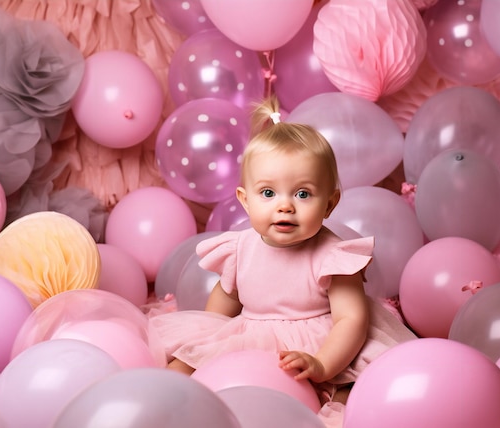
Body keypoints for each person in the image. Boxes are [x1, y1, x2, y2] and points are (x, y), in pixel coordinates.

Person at [150, 96, 417, 423]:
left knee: (352, 390)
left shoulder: (333, 256)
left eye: (303, 194)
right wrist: (207, 340)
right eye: (268, 193)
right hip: (252, 336)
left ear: (330, 205)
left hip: (323, 341)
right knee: (183, 366)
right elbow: (227, 296)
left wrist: (322, 364)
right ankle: (160, 404)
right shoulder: (240, 247)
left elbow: (351, 320)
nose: (285, 206)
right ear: (245, 201)